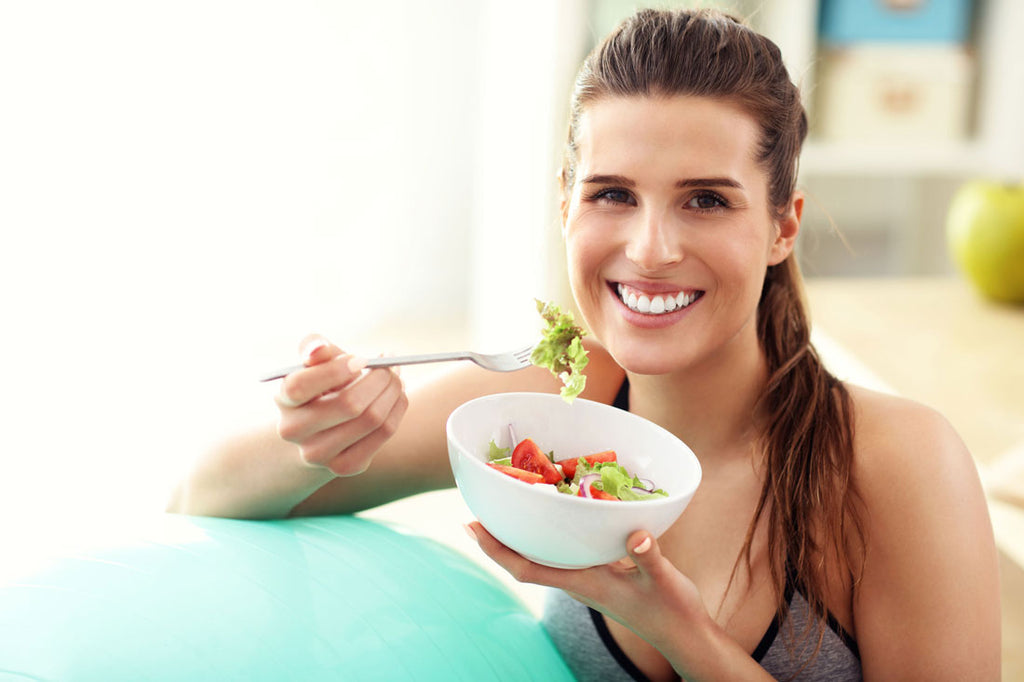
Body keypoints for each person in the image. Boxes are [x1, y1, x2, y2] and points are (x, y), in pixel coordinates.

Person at [168, 8, 1001, 680]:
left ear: (784, 225)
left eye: (706, 201)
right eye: (612, 194)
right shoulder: (555, 396)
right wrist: (318, 439)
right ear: (566, 204)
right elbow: (202, 494)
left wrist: (680, 633)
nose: (649, 249)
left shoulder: (895, 460)